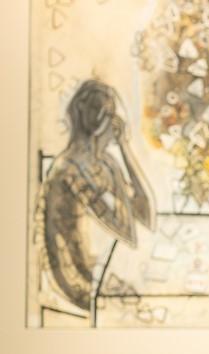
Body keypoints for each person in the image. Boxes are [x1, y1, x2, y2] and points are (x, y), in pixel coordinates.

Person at [34, 79, 154, 317]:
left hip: (101, 270)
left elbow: (145, 214)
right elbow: (126, 232)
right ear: (101, 123)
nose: (118, 126)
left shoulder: (105, 163)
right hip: (79, 286)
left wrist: (125, 148)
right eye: (113, 118)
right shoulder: (69, 170)